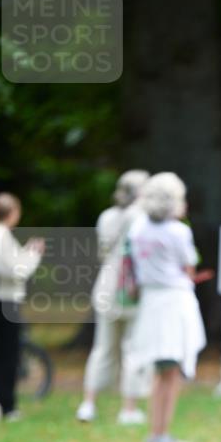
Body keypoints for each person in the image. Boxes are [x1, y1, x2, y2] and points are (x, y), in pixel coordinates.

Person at [127, 172, 207, 442]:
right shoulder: (179, 231)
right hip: (174, 302)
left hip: (151, 303)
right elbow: (189, 268)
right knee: (171, 371)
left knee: (159, 370)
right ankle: (161, 433)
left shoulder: (137, 228)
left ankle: (156, 430)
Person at [76, 170, 152, 424]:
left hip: (106, 286)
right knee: (132, 348)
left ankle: (88, 404)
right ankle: (128, 408)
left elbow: (102, 252)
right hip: (130, 289)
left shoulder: (106, 216)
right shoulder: (141, 216)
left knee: (102, 349)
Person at [0, 193, 44, 418]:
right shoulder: (0, 235)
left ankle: (0, 403)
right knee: (8, 355)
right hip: (5, 302)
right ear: (13, 212)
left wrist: (26, 254)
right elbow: (16, 271)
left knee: (3, 354)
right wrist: (33, 254)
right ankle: (6, 405)